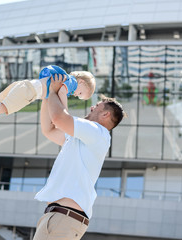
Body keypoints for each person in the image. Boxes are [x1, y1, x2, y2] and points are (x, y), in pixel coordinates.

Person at [33, 74, 125, 240]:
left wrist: (53, 90)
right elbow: (49, 129)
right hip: (63, 218)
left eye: (97, 106)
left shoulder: (97, 132)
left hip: (64, 217)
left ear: (105, 115)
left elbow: (59, 118)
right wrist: (48, 94)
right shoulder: (86, 138)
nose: (91, 108)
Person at [0, 65, 96, 134]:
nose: (76, 95)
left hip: (26, 85)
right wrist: (65, 112)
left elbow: (51, 98)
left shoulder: (66, 78)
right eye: (80, 93)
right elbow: (61, 92)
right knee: (6, 106)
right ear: (82, 83)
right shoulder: (71, 82)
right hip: (29, 91)